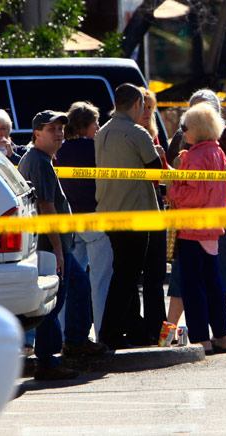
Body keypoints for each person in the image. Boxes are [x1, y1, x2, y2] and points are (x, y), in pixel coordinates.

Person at [165, 89, 226, 329]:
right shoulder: (184, 135)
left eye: (204, 110)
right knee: (185, 278)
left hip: (215, 215)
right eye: (193, 110)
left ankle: (215, 331)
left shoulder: (221, 139)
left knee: (220, 276)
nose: (196, 117)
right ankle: (170, 333)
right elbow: (170, 166)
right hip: (188, 217)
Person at [18, 110, 107, 381]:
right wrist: (58, 250)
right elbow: (46, 207)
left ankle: (75, 340)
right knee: (52, 305)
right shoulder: (39, 162)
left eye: (60, 128)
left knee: (78, 286)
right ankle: (48, 359)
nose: (59, 133)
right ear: (37, 134)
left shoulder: (40, 158)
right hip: (50, 247)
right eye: (51, 128)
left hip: (53, 246)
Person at [95, 83, 162, 350]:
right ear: (137, 104)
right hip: (135, 214)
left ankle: (132, 329)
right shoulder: (137, 133)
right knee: (127, 275)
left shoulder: (103, 132)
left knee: (125, 272)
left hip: (109, 213)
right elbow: (156, 172)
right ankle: (109, 333)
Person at [167, 103, 226, 355]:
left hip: (192, 228)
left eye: (185, 127)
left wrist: (172, 189)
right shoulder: (218, 153)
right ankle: (223, 337)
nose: (182, 131)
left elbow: (194, 194)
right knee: (214, 283)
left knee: (192, 286)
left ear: (197, 129)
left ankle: (201, 339)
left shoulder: (196, 156)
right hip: (212, 227)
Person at [54, 101, 113, 342]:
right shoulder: (96, 148)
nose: (98, 127)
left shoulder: (61, 149)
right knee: (100, 281)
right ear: (86, 125)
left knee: (68, 282)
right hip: (95, 218)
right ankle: (103, 335)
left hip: (69, 220)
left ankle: (64, 336)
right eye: (95, 123)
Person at [133, 86, 167, 344]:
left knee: (155, 275)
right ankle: (136, 329)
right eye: (143, 106)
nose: (146, 112)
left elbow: (163, 175)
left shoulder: (154, 138)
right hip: (134, 209)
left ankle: (157, 330)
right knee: (133, 275)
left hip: (156, 207)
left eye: (150, 107)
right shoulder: (130, 135)